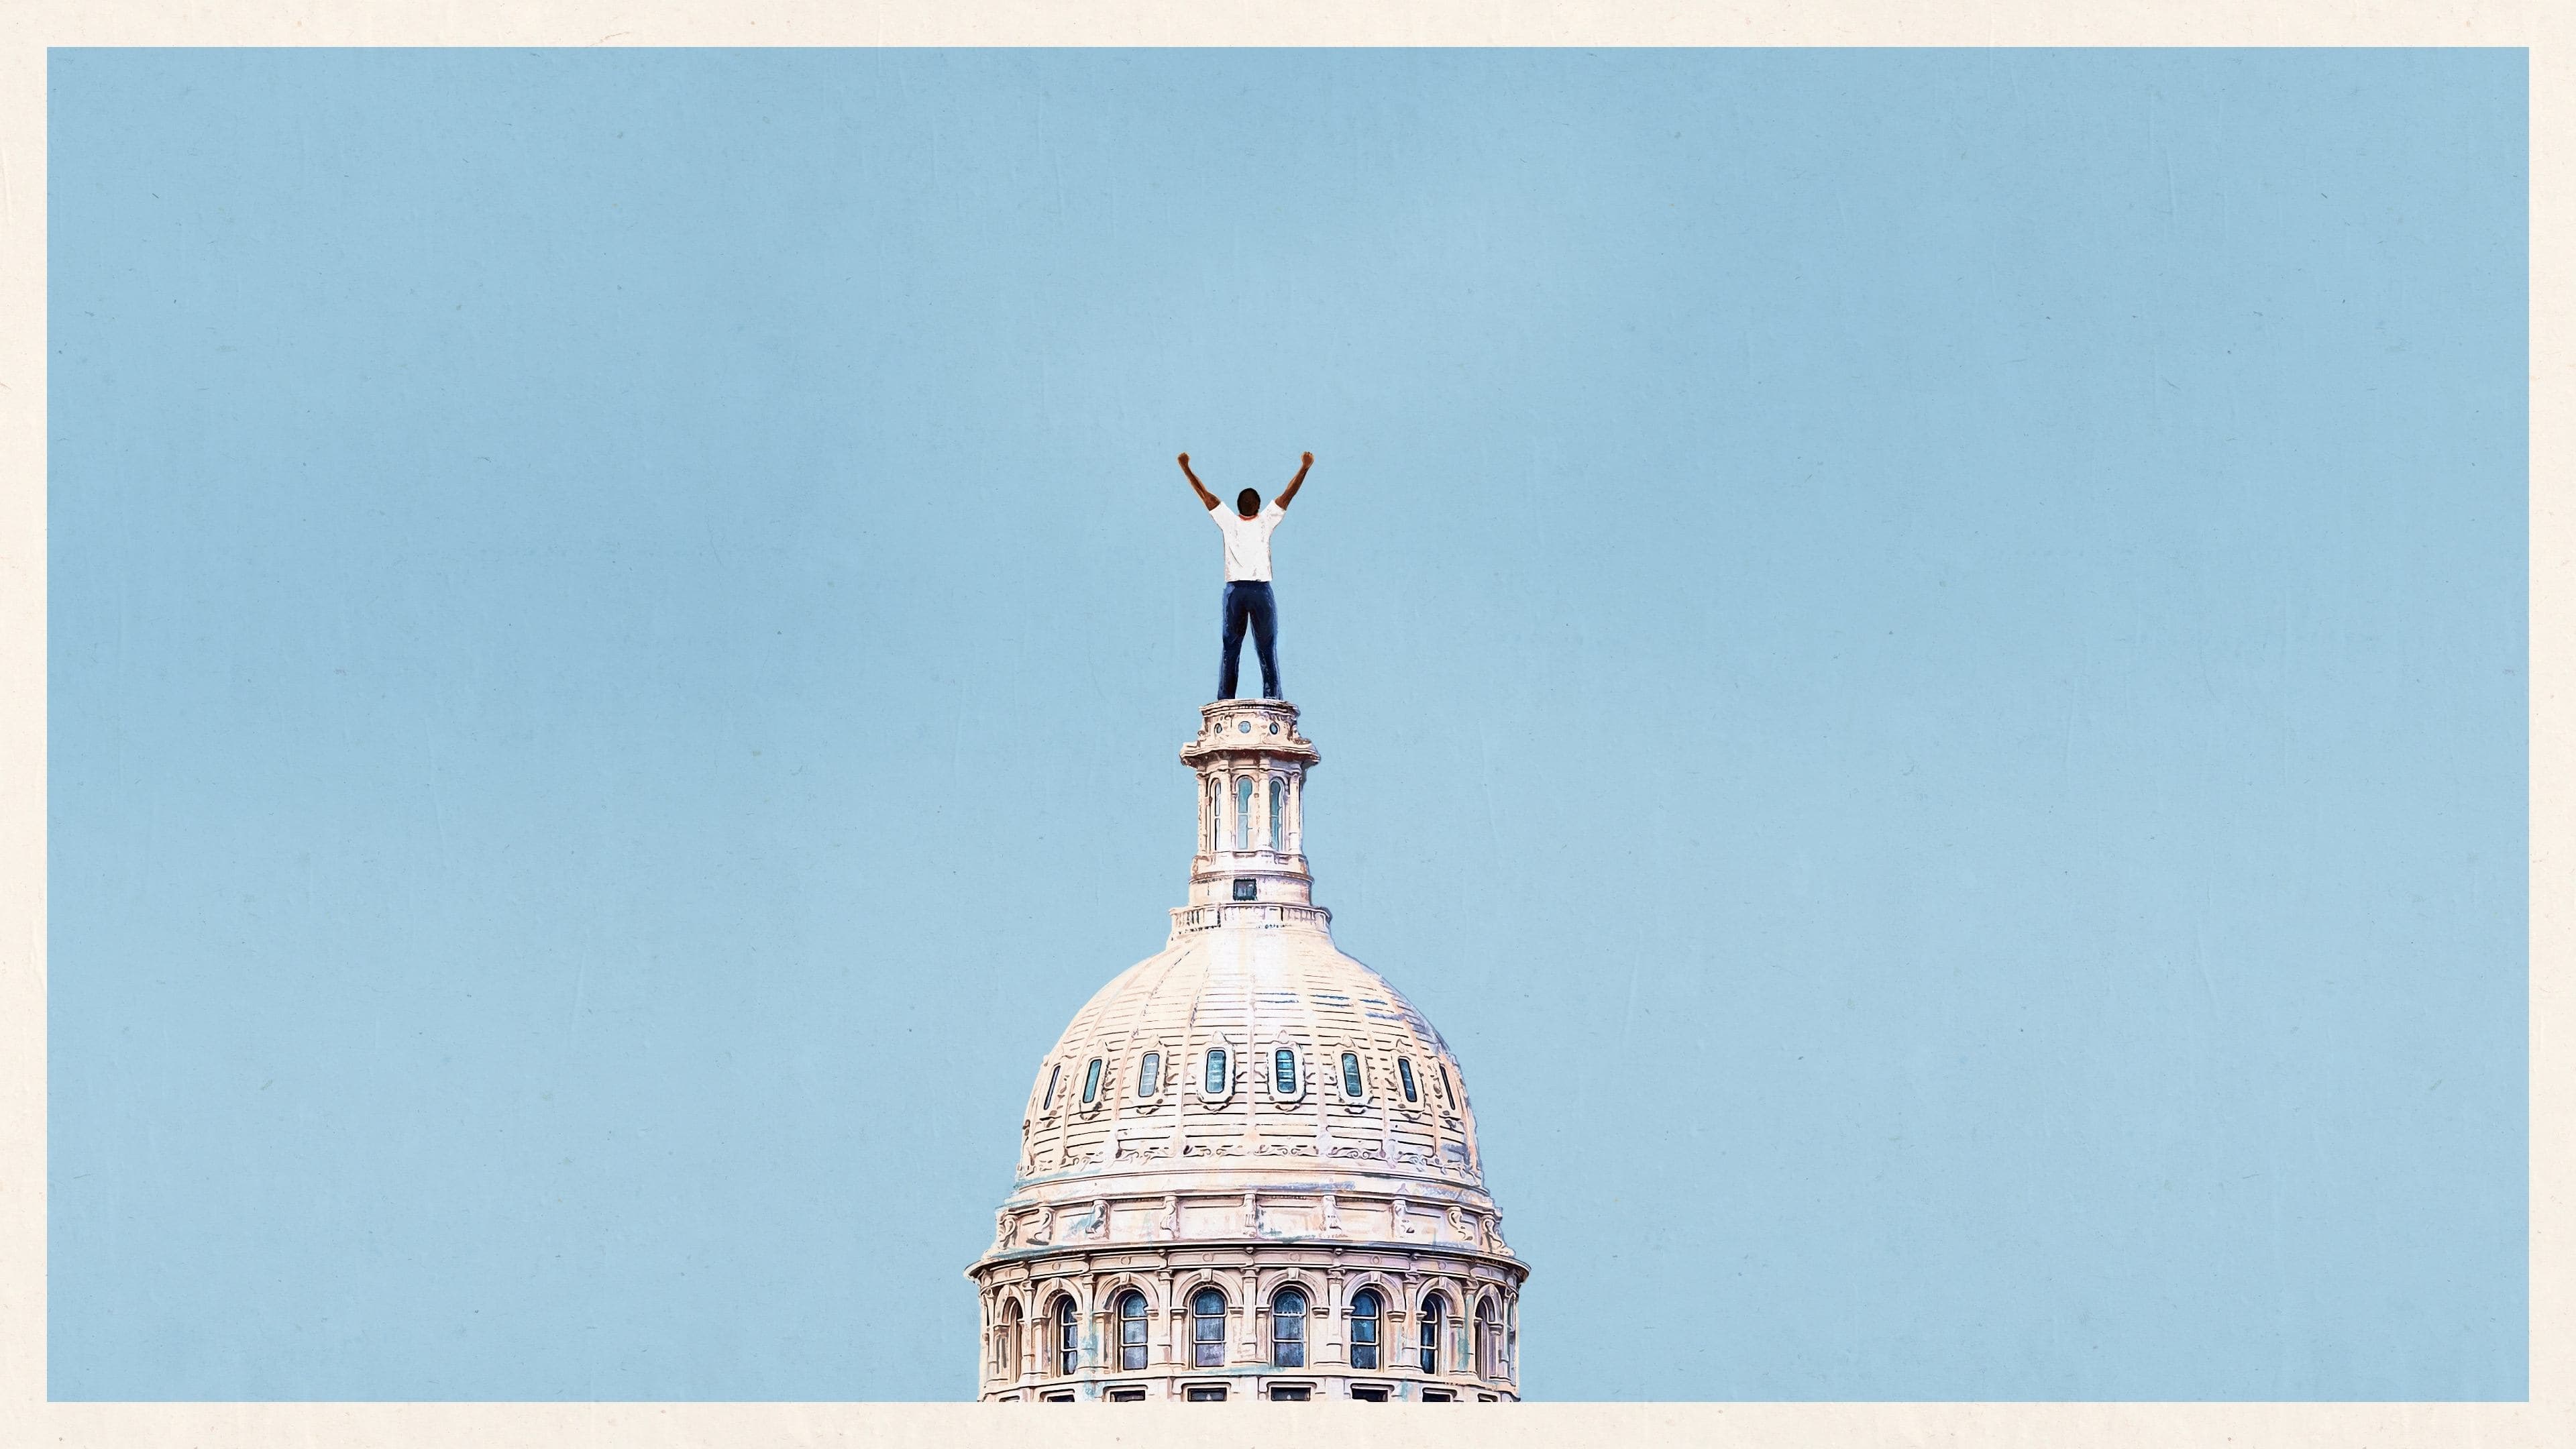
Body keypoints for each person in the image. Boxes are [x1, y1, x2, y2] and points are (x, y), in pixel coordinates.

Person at [1179, 450, 1311, 699]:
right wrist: (1304, 467)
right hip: (1260, 591)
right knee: (1266, 647)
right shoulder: (1265, 521)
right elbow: (1288, 496)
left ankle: (1225, 698)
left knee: (1231, 648)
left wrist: (1186, 468)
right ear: (1258, 507)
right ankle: (1272, 697)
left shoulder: (1229, 521)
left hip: (1235, 592)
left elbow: (1206, 496)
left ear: (1239, 506)